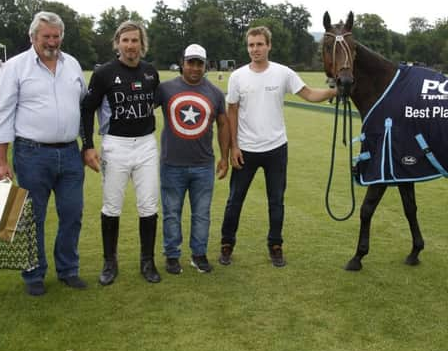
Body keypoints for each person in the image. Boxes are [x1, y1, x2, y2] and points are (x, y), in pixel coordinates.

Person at [219, 26, 337, 267]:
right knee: (235, 200)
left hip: (276, 149)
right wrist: (234, 147)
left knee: (276, 201)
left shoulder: (283, 73)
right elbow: (232, 111)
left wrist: (337, 91)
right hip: (246, 150)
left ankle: (275, 245)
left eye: (259, 44)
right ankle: (226, 244)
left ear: (269, 46)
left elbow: (310, 94)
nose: (255, 49)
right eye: (251, 45)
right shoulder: (237, 76)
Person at [0, 11, 88, 296]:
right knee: (33, 217)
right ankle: (34, 274)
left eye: (56, 36)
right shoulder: (16, 67)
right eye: (46, 36)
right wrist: (1, 162)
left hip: (70, 153)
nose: (52, 41)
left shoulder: (72, 64)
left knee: (72, 213)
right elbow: (4, 113)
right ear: (33, 36)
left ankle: (68, 270)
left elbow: (83, 107)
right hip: (32, 154)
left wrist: (88, 145)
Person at [81, 20, 161, 285]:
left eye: (135, 40)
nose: (130, 46)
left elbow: (156, 102)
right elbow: (87, 108)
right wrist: (88, 145)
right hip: (115, 145)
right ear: (118, 43)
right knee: (112, 206)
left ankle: (147, 262)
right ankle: (109, 262)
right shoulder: (104, 73)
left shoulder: (151, 72)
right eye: (125, 40)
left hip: (147, 145)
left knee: (148, 204)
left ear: (142, 44)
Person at [155, 44, 230, 274]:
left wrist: (224, 157)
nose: (195, 68)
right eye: (191, 62)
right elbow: (143, 109)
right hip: (171, 164)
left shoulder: (216, 93)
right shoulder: (165, 89)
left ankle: (199, 254)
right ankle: (172, 255)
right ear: (183, 63)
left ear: (205, 65)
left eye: (199, 63)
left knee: (201, 215)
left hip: (203, 165)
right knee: (171, 213)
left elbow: (223, 124)